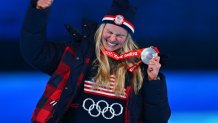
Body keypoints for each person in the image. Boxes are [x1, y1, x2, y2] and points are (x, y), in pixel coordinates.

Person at [20, 0, 171, 122]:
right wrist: (38, 11)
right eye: (109, 32)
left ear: (127, 39)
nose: (112, 39)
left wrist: (153, 80)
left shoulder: (138, 68)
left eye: (120, 35)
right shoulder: (76, 54)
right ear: (101, 29)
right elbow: (35, 53)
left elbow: (158, 119)